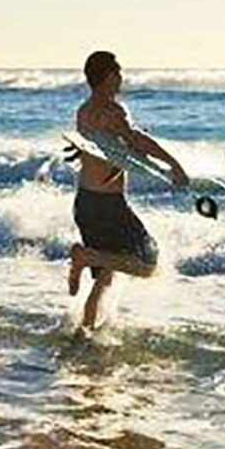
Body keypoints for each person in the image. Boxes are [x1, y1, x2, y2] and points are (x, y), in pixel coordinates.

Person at [66, 50, 189, 331]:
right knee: (147, 263)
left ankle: (85, 331)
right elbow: (136, 140)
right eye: (117, 72)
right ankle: (85, 257)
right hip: (108, 204)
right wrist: (173, 164)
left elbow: (107, 148)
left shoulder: (83, 111)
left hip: (85, 201)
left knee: (106, 276)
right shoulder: (113, 110)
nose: (121, 78)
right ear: (108, 76)